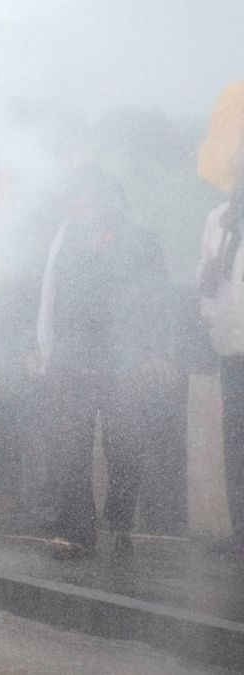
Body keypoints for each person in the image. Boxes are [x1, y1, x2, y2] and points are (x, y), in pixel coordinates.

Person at [36, 169, 175, 558]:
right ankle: (76, 528)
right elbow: (54, 293)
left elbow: (158, 298)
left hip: (124, 359)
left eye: (83, 197)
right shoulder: (70, 238)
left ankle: (119, 522)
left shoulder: (141, 240)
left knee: (125, 446)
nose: (77, 205)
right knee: (71, 446)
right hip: (73, 357)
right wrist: (47, 348)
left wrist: (155, 351)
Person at [196, 169, 244, 556]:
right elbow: (206, 285)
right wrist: (210, 269)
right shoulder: (219, 219)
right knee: (237, 447)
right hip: (232, 350)